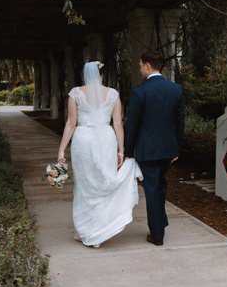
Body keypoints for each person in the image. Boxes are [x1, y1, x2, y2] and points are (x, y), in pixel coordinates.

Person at [57, 61, 143, 247]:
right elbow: (118, 124)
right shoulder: (113, 94)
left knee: (85, 185)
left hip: (83, 140)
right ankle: (99, 230)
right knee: (103, 181)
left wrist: (61, 148)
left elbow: (71, 123)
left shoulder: (76, 93)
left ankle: (87, 230)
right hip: (106, 139)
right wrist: (121, 150)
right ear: (102, 75)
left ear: (86, 75)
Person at [124, 51, 185, 246]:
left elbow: (132, 125)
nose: (140, 69)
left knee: (151, 188)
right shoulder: (175, 90)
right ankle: (161, 222)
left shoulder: (139, 92)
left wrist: (127, 152)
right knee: (161, 185)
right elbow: (179, 123)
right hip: (167, 149)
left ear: (148, 66)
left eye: (141, 65)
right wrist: (177, 148)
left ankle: (157, 234)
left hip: (147, 150)